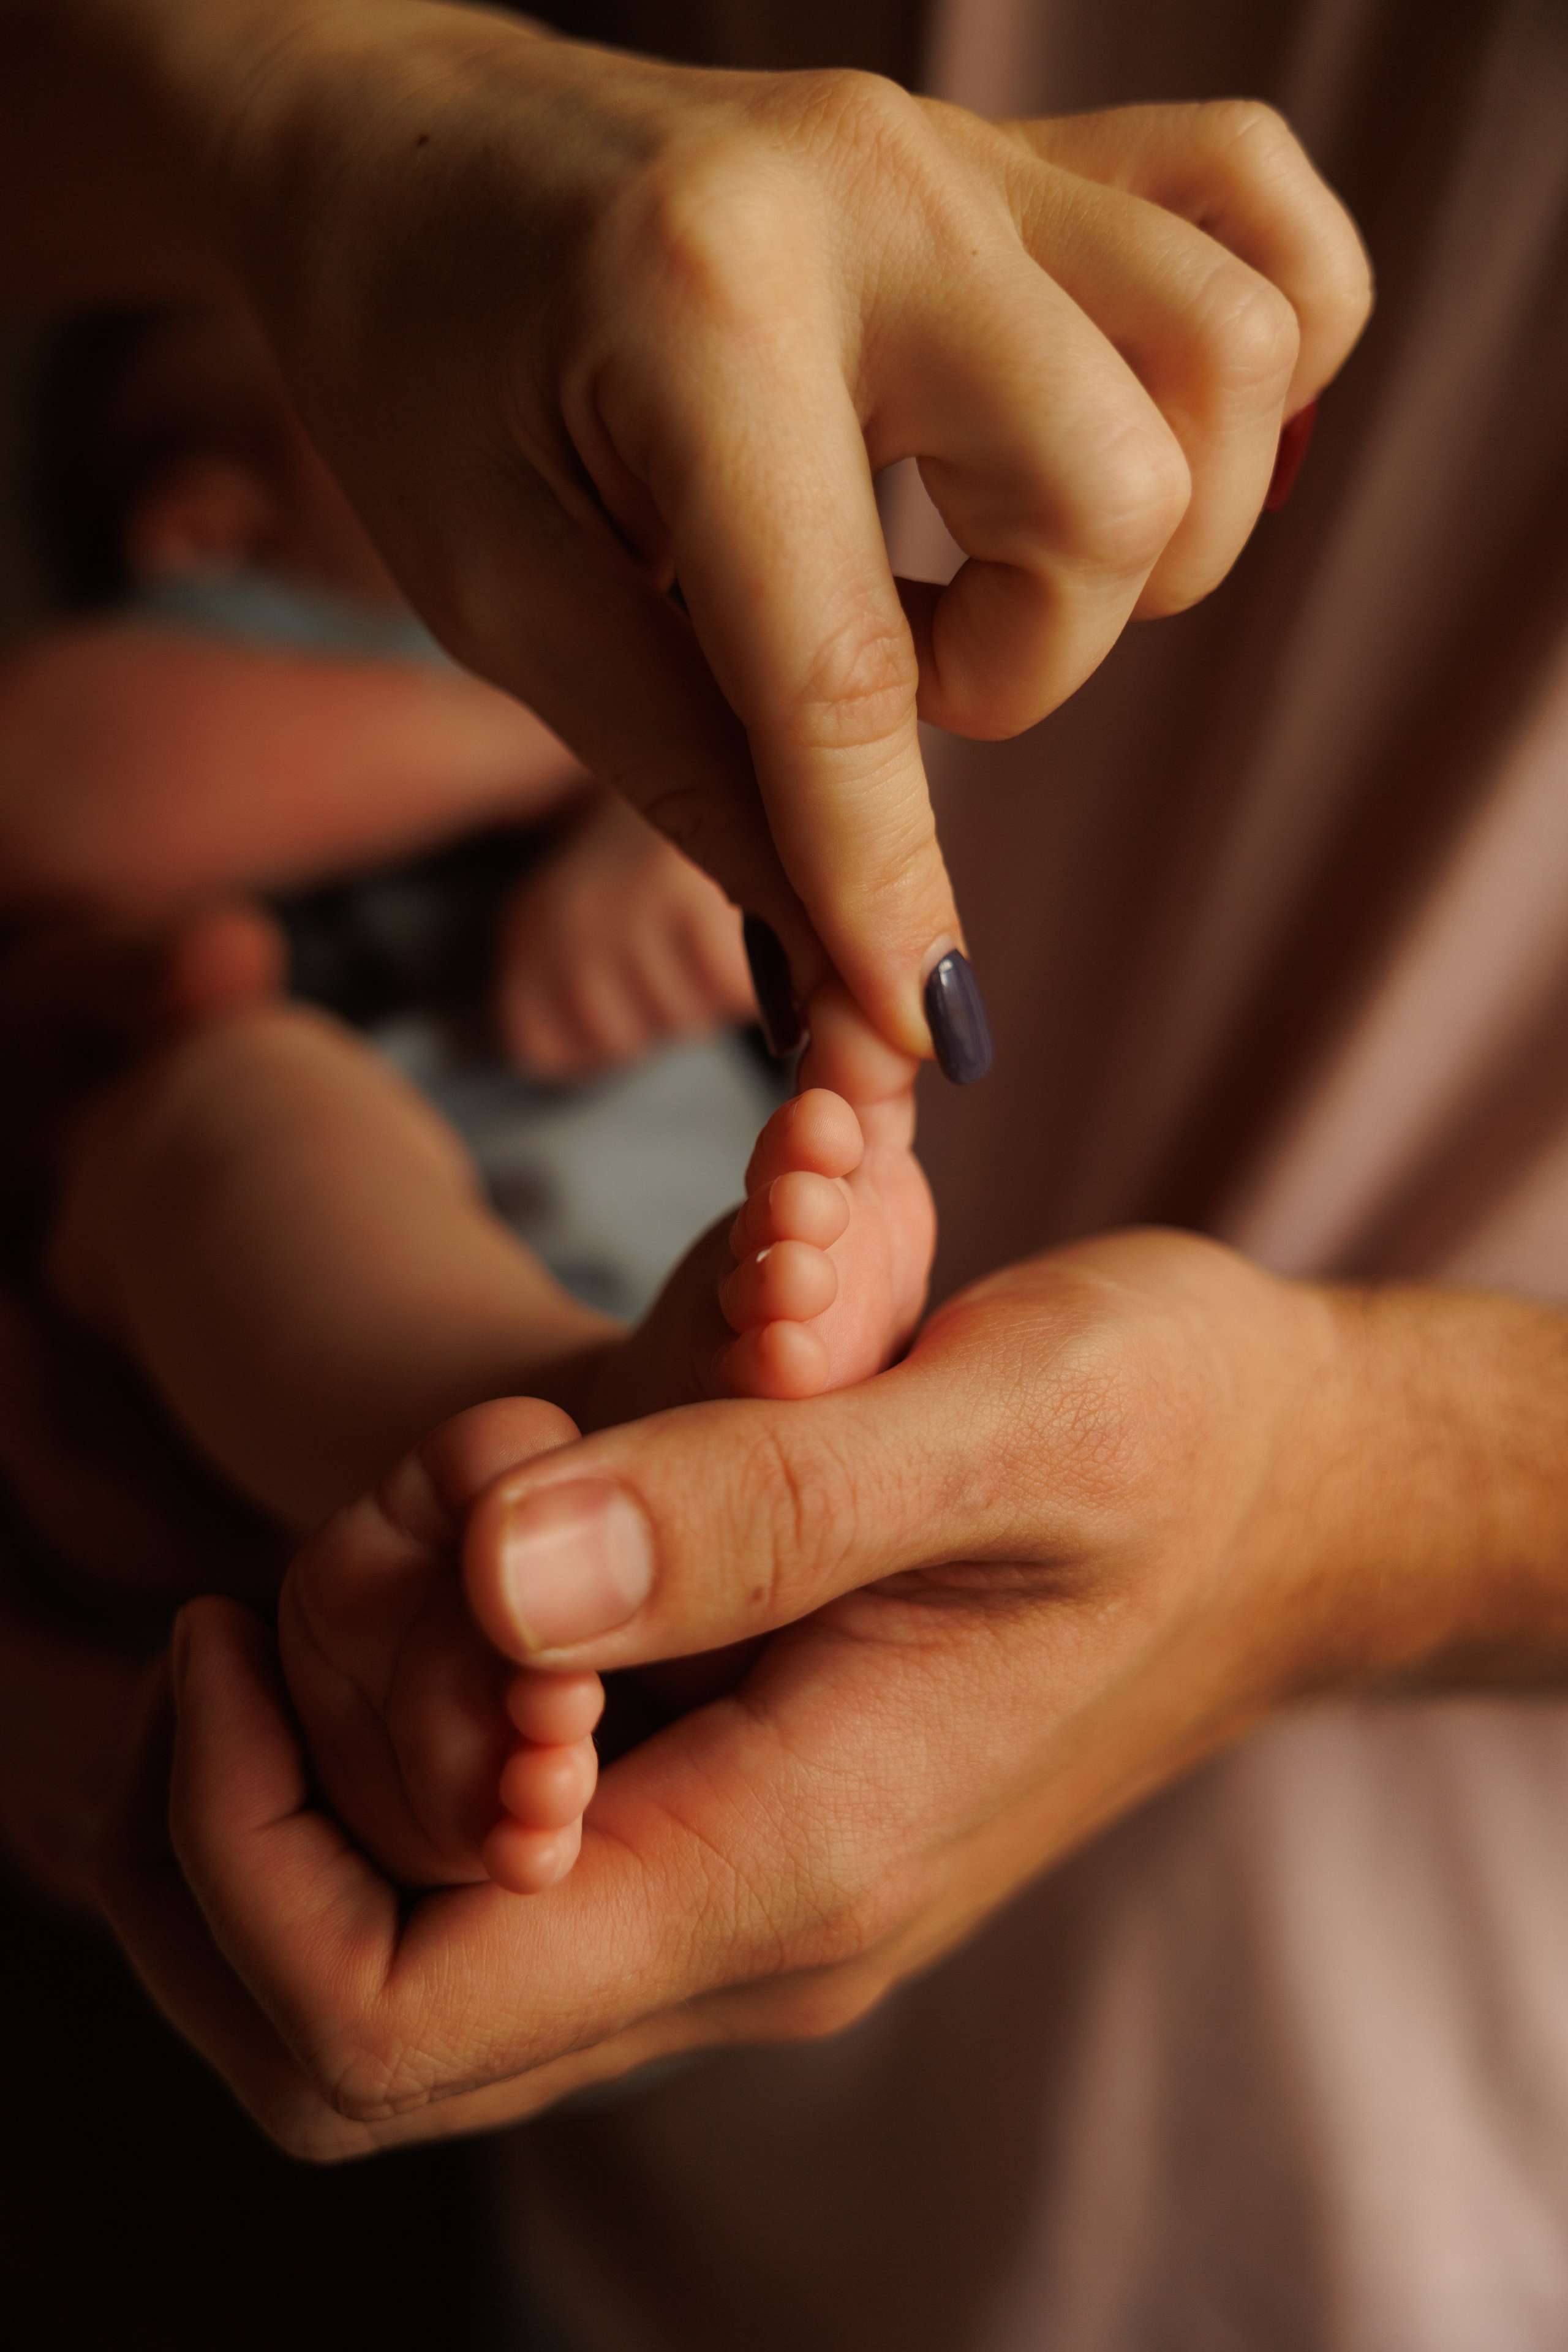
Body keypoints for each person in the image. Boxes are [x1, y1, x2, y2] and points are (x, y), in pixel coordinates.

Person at [15, 1, 1568, 2346]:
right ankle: (526, 1472)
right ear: (206, 505)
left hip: (1342, 2127)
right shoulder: (204, 652)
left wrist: (1341, 1499)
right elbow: (64, 795)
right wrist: (553, 736)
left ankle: (590, 1493)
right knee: (245, 1151)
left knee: (607, 1319)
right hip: (264, 1147)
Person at [46, 971, 929, 1891]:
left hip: (668, 1156)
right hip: (320, 1046)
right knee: (234, 1098)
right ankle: (584, 1458)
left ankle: (479, 1683)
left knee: (754, 1260)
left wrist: (663, 862)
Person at [2, 299, 757, 1076]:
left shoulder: (606, 638)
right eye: (396, 380)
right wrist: (599, 734)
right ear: (210, 535)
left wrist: (661, 827)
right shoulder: (227, 629)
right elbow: (32, 772)